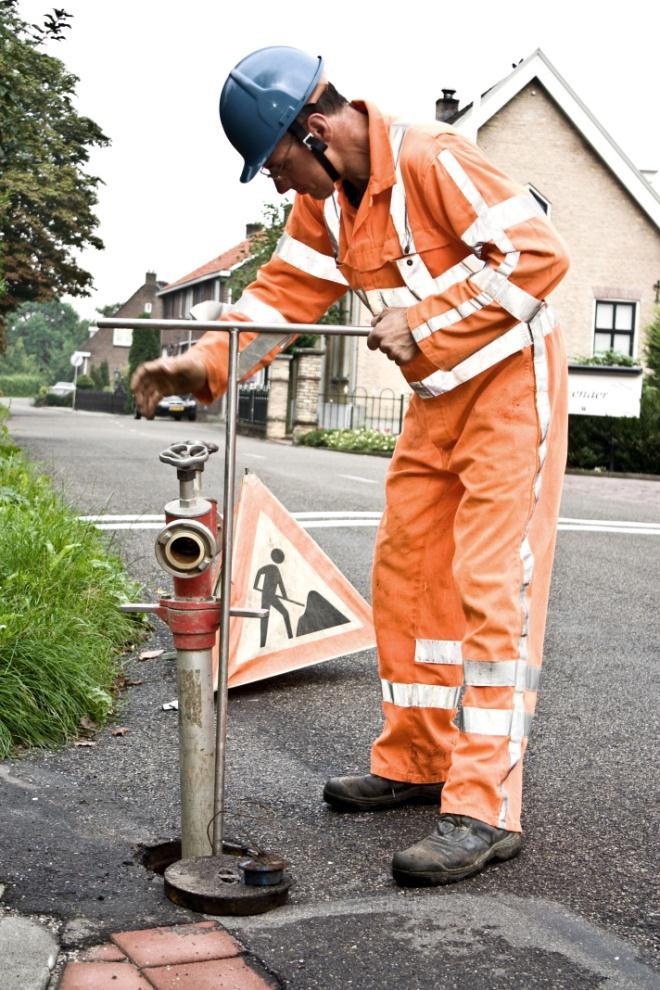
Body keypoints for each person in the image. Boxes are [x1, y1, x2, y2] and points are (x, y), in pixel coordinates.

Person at [132, 45, 570, 886]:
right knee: (405, 575)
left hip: (510, 393)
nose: (277, 183)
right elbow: (281, 300)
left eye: (279, 163)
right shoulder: (328, 205)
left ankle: (484, 805)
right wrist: (202, 365)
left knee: (491, 590)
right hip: (437, 400)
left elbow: (537, 256)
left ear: (318, 128)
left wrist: (430, 321)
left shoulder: (433, 158)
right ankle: (416, 757)